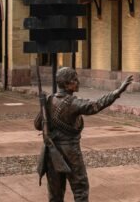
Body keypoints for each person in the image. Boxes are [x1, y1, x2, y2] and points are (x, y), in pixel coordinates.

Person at [34, 67, 133, 202]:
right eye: (74, 79)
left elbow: (37, 125)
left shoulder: (49, 99)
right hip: (70, 152)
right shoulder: (73, 103)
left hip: (51, 151)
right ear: (66, 84)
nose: (78, 82)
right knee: (80, 188)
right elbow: (97, 105)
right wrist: (118, 91)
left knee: (55, 193)